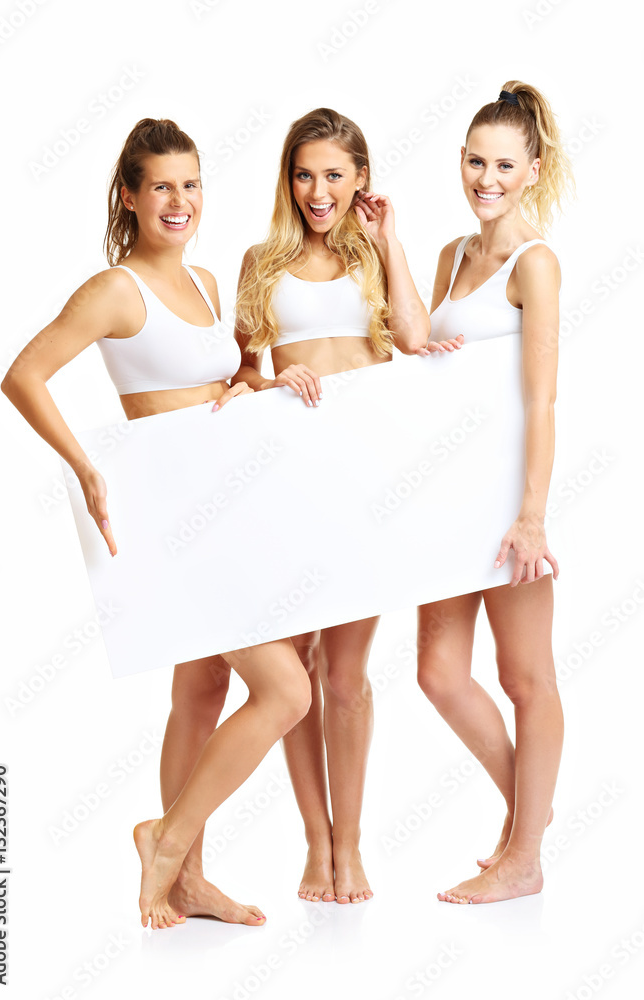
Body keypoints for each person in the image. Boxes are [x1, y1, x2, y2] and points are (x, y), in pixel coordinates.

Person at [0, 117, 312, 929]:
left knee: (203, 690)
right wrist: (85, 465)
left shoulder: (206, 281)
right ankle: (165, 840)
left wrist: (255, 385)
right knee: (287, 690)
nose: (180, 200)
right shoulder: (115, 290)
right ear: (131, 198)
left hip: (231, 510)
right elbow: (23, 375)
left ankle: (189, 881)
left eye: (191, 184)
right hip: (178, 522)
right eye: (162, 186)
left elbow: (222, 379)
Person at [235, 106, 430, 903]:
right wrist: (270, 377)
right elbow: (239, 374)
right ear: (288, 180)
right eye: (304, 175)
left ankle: (348, 847)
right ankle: (315, 846)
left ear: (361, 180)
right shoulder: (261, 261)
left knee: (344, 674)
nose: (318, 192)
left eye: (334, 176)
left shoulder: (371, 255)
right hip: (285, 481)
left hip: (365, 478)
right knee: (297, 673)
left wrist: (389, 241)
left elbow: (413, 341)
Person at [416, 82, 575, 904]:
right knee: (438, 674)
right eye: (475, 162)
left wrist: (531, 517)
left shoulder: (533, 264)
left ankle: (523, 857)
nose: (486, 178)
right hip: (447, 501)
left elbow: (540, 400)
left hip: (510, 505)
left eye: (504, 166)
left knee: (525, 679)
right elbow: (416, 358)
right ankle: (528, 824)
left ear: (531, 170)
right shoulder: (451, 255)